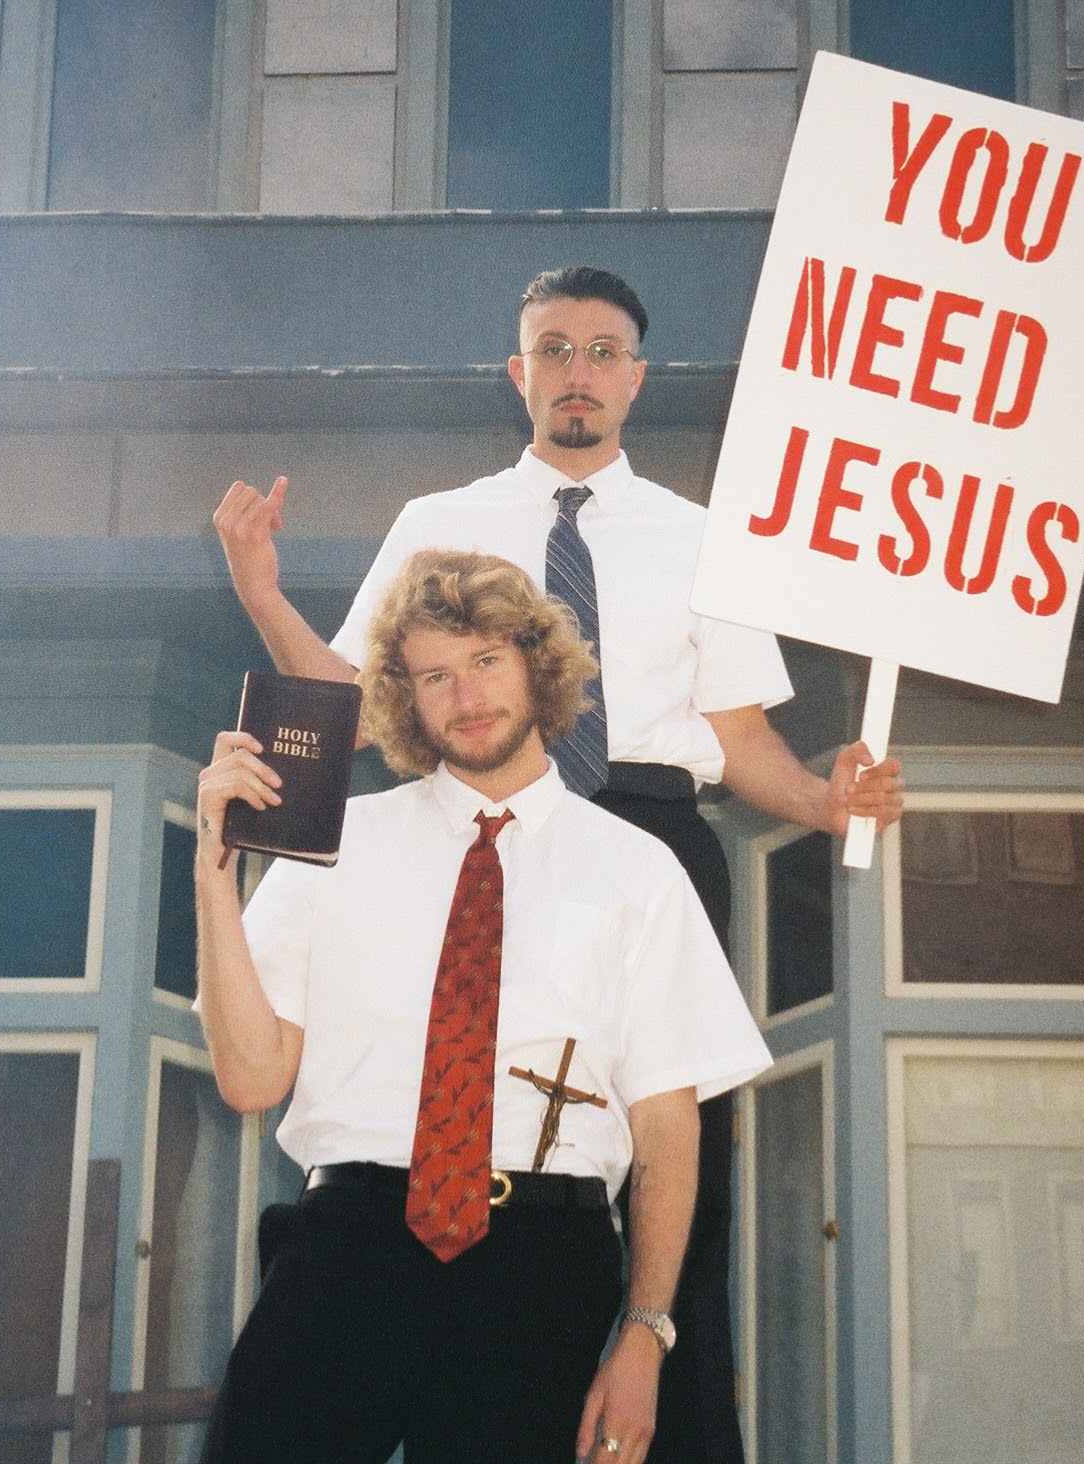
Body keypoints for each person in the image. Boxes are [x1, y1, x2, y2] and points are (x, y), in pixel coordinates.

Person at [214, 265, 904, 1462]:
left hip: (644, 837)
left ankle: (648, 1414)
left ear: (636, 376)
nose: (576, 371)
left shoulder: (704, 538)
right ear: (517, 371)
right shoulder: (438, 522)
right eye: (552, 348)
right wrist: (264, 600)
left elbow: (741, 740)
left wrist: (826, 804)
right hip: (452, 829)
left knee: (673, 1155)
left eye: (601, 350)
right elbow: (360, 704)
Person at [194, 549, 772, 1464]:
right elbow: (249, 1076)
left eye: (487, 661)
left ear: (538, 667)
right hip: (347, 1253)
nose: (465, 695)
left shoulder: (639, 871)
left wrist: (646, 1333)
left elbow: (668, 1129)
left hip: (542, 1268)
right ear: (405, 699)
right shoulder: (336, 842)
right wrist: (213, 876)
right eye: (435, 675)